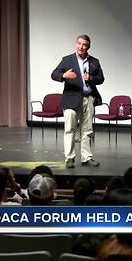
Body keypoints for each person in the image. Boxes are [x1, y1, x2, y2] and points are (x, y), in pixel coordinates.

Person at [51, 34, 105, 168]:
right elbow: (54, 74)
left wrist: (91, 78)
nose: (81, 46)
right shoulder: (67, 60)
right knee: (70, 129)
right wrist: (64, 75)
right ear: (76, 44)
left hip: (88, 99)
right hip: (71, 99)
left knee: (87, 130)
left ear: (88, 46)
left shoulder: (94, 61)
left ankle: (87, 158)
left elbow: (101, 79)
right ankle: (69, 158)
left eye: (84, 44)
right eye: (79, 43)